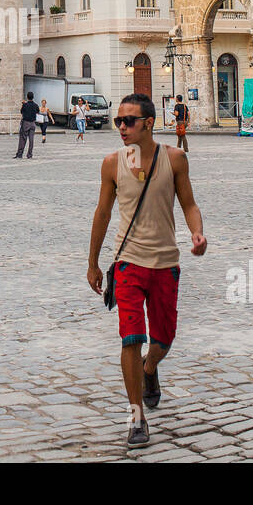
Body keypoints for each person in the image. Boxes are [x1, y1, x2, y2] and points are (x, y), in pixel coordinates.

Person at [86, 93, 207, 450]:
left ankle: (150, 368)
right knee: (131, 337)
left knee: (163, 340)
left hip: (166, 262)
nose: (121, 127)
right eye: (117, 121)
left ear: (149, 123)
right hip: (128, 262)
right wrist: (93, 262)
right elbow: (102, 214)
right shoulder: (111, 164)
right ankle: (136, 415)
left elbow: (189, 203)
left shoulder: (175, 159)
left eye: (129, 121)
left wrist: (197, 234)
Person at [15, 92, 39, 159]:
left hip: (26, 123)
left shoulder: (25, 105)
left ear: (27, 97)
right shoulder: (35, 105)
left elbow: (22, 112)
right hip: (33, 123)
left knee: (23, 138)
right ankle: (29, 154)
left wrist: (23, 104)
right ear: (33, 97)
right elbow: (38, 111)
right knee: (31, 140)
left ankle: (20, 154)